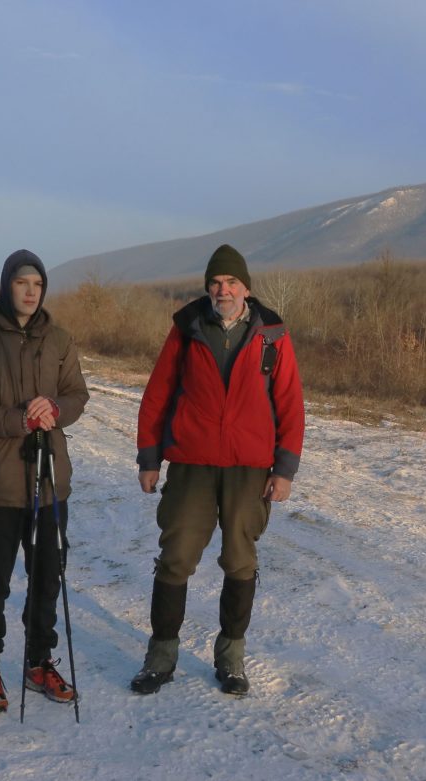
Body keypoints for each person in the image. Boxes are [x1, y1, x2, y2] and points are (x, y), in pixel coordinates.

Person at [131, 243, 304, 696]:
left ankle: (231, 659)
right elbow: (157, 394)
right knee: (176, 558)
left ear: (245, 287)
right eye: (215, 282)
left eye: (230, 282)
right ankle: (160, 657)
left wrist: (284, 469)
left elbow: (289, 403)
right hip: (191, 464)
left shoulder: (272, 336)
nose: (222, 290)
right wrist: (149, 458)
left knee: (240, 561)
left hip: (249, 468)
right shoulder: (187, 330)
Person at [0, 249, 89, 713]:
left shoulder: (59, 339)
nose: (30, 292)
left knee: (47, 577)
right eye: (21, 283)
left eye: (38, 284)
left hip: (49, 481)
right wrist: (19, 420)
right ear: (6, 285)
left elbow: (77, 394)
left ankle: (38, 661)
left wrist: (55, 409)